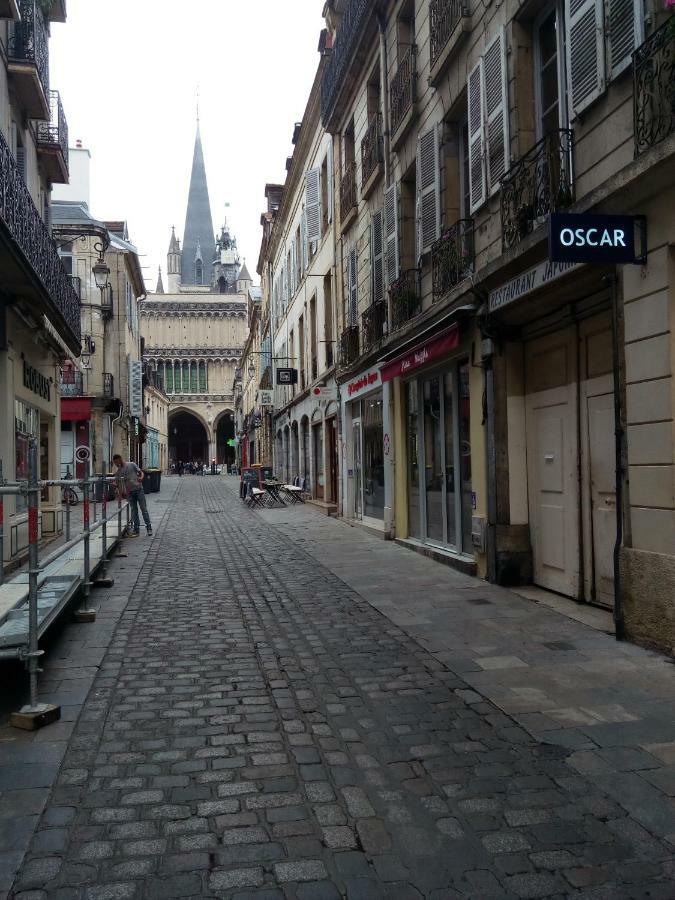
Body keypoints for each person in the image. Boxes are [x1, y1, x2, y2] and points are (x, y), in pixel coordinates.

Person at [113, 454, 152, 537]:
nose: (116, 464)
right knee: (134, 511)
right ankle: (136, 530)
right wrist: (115, 486)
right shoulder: (119, 471)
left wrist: (141, 477)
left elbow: (140, 472)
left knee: (143, 509)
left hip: (138, 489)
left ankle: (149, 528)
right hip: (130, 492)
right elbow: (117, 482)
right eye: (115, 463)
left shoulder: (132, 464)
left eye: (116, 462)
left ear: (120, 459)